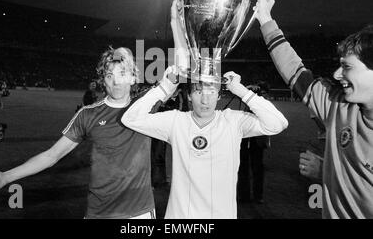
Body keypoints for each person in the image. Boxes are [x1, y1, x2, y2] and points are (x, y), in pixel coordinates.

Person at [0, 47, 156, 219]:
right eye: (110, 75)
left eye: (122, 74)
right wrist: (7, 176)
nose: (116, 82)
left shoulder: (146, 105)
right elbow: (52, 155)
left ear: (133, 78)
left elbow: (178, 74)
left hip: (140, 213)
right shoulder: (88, 114)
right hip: (99, 213)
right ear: (103, 80)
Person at [254, 0, 373, 218]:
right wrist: (266, 19)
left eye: (347, 67)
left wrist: (327, 172)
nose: (337, 74)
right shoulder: (337, 104)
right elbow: (296, 72)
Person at [121, 66, 288, 218]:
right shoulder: (175, 122)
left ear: (219, 95)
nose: (205, 100)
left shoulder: (233, 122)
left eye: (211, 92)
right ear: (188, 95)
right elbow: (130, 119)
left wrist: (242, 91)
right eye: (199, 92)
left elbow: (278, 123)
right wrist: (164, 88)